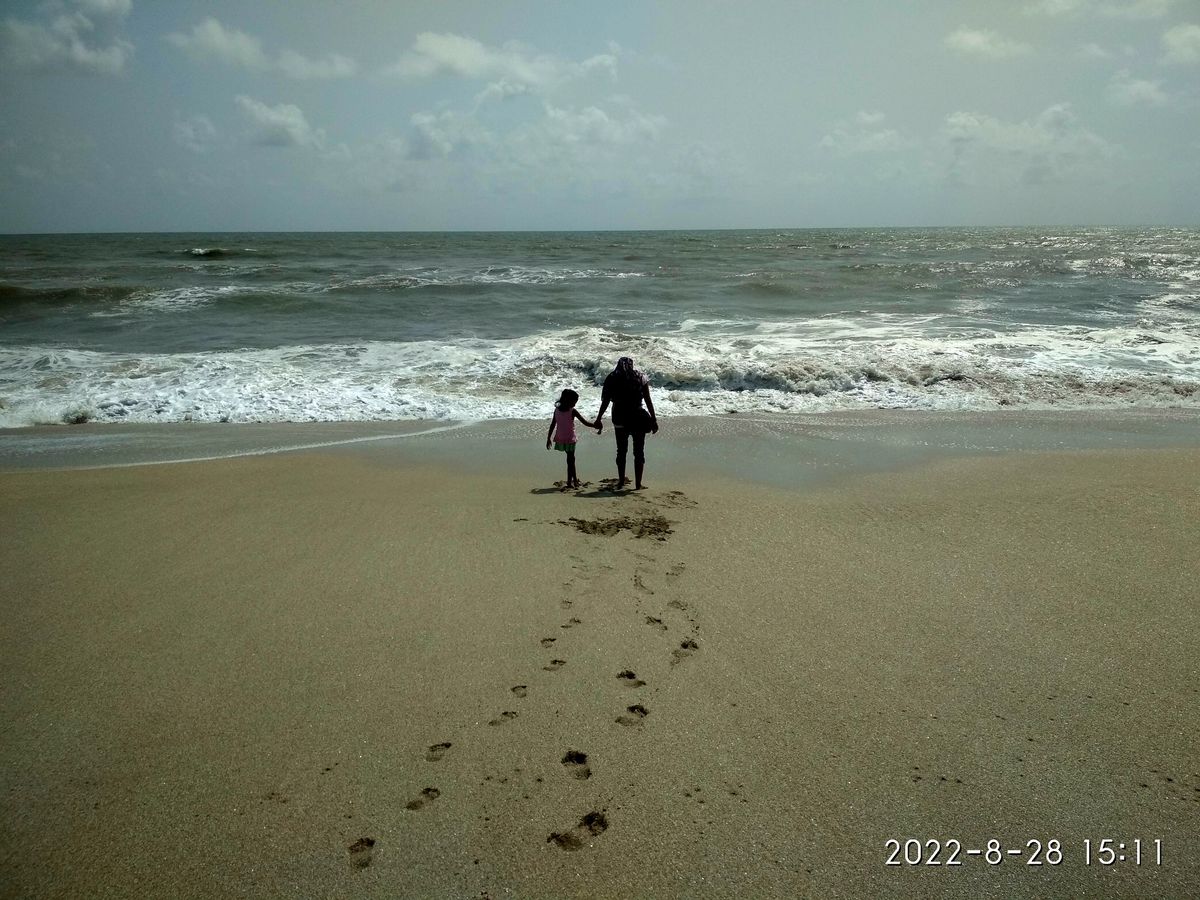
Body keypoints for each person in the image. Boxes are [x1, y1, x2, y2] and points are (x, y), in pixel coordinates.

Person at [594, 356, 658, 490]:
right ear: (632, 365)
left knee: (621, 451)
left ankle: (621, 481)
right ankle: (638, 484)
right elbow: (647, 400)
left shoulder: (612, 378)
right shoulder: (640, 377)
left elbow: (605, 401)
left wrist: (599, 418)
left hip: (619, 416)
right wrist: (653, 419)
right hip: (638, 417)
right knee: (639, 452)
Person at [546, 388, 600, 489]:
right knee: (571, 460)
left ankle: (571, 481)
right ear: (567, 400)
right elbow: (585, 422)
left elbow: (553, 424)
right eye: (574, 402)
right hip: (570, 439)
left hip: (561, 438)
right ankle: (573, 481)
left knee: (570, 460)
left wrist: (549, 438)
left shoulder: (557, 410)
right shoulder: (572, 411)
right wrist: (595, 426)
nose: (574, 405)